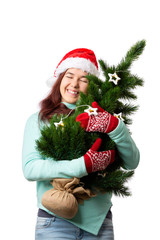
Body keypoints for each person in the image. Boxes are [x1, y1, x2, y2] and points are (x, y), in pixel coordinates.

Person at [22, 48, 140, 240]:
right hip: (55, 221)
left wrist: (114, 126)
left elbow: (132, 162)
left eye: (84, 79)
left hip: (100, 223)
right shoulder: (39, 120)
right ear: (60, 79)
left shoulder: (103, 116)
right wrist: (83, 165)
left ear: (91, 86)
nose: (74, 84)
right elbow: (30, 169)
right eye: (69, 75)